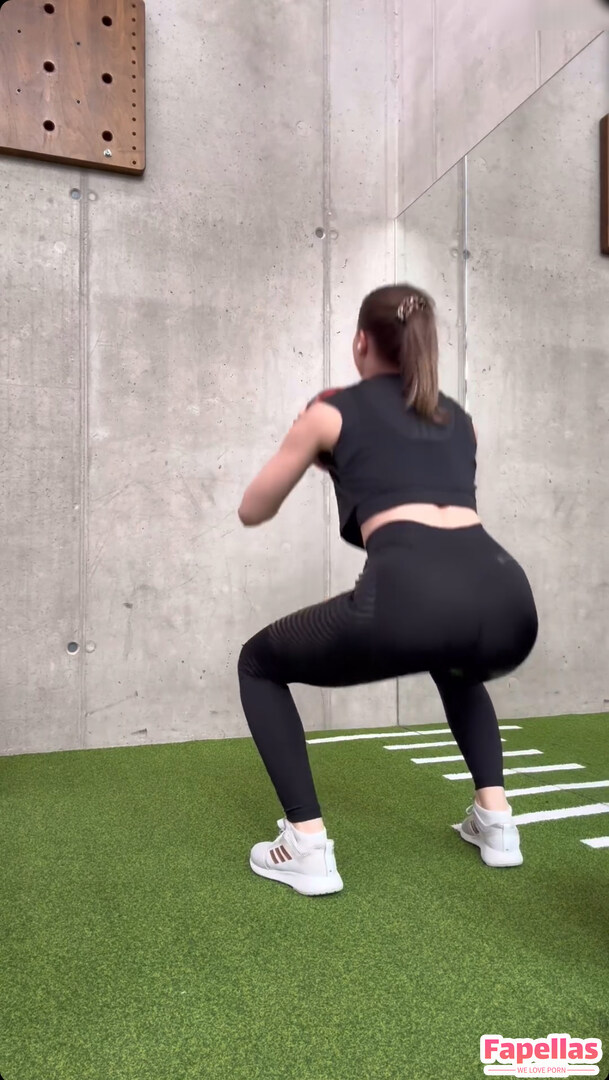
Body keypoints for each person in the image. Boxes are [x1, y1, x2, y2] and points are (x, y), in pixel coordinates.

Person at [237, 284, 538, 896]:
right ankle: (497, 821)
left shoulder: (331, 410)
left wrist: (311, 442)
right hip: (509, 600)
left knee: (257, 663)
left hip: (410, 597)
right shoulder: (460, 421)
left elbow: (253, 509)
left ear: (360, 343)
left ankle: (306, 845)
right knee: (453, 658)